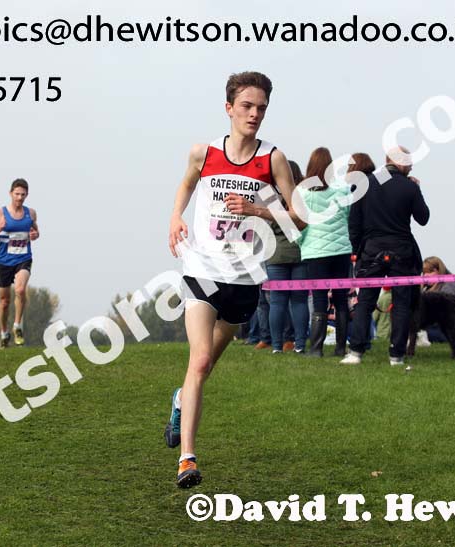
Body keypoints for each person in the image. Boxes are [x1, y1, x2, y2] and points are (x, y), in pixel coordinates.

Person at [164, 71, 304, 488]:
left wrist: (258, 210)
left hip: (244, 278)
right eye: (247, 106)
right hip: (202, 270)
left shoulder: (273, 159)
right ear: (228, 108)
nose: (254, 114)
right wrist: (174, 217)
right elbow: (186, 186)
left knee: (205, 369)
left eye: (261, 107)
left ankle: (178, 400)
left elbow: (300, 217)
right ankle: (187, 459)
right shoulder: (203, 153)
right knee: (200, 358)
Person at [341, 147, 430, 366]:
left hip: (371, 249)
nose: (411, 167)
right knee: (401, 304)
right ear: (400, 162)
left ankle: (356, 352)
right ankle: (396, 355)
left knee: (365, 302)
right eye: (409, 163)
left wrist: (356, 250)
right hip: (402, 250)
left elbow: (354, 221)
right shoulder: (409, 186)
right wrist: (417, 189)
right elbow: (423, 218)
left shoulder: (366, 183)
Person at [298, 151, 372, 357]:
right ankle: (340, 347)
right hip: (341, 251)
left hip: (314, 252)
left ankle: (316, 349)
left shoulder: (302, 193)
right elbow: (350, 219)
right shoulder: (343, 190)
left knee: (319, 298)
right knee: (341, 299)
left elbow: (298, 224)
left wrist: (301, 243)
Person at [0, 178, 40, 348]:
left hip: (23, 258)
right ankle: (4, 333)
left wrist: (35, 234)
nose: (19, 198)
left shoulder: (30, 213)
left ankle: (17, 326)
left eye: (23, 194)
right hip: (4, 262)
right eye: (17, 194)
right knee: (4, 301)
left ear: (27, 195)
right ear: (10, 194)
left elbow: (36, 231)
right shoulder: (0, 214)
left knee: (21, 289)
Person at [265, 160, 309, 354]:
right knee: (299, 301)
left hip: (275, 253)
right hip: (299, 252)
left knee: (276, 302)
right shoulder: (301, 196)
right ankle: (299, 345)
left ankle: (276, 346)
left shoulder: (267, 195)